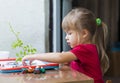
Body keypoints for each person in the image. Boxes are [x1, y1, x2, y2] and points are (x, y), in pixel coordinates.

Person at [22, 8, 109, 83]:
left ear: (84, 33)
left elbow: (60, 57)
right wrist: (68, 62)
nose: (66, 37)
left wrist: (33, 56)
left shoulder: (86, 49)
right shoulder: (84, 50)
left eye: (69, 33)